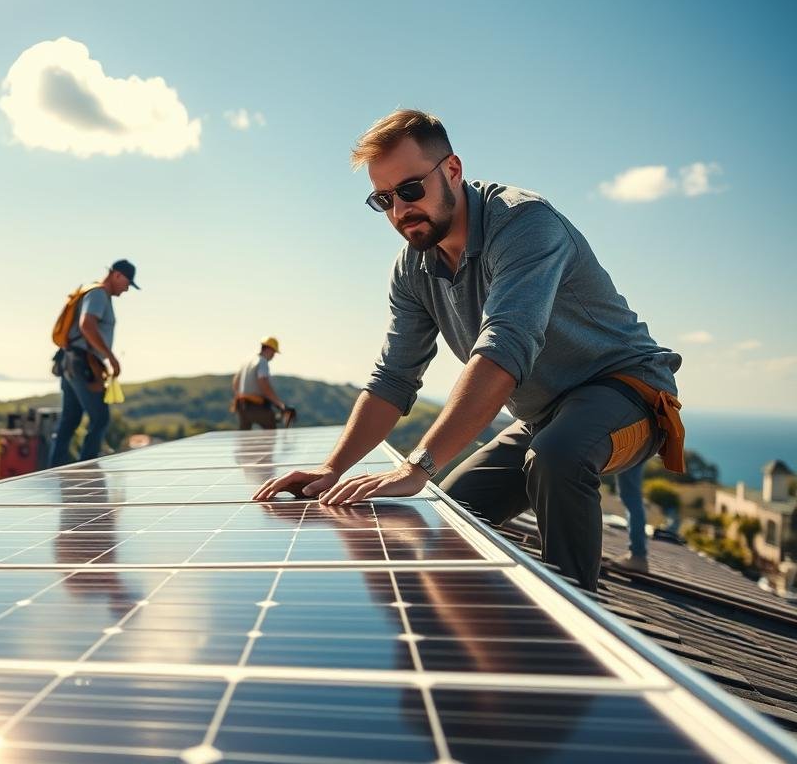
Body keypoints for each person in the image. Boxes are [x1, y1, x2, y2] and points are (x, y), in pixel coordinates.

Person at [255, 109, 684, 590]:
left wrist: (419, 464)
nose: (400, 212)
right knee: (451, 517)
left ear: (453, 171)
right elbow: (393, 380)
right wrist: (333, 470)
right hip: (544, 417)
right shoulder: (412, 270)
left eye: (411, 190)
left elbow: (505, 348)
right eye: (384, 200)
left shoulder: (524, 223)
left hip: (628, 393)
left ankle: (578, 631)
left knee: (556, 457)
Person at [49, 259, 139, 466]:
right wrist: (110, 356)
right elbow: (87, 325)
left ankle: (54, 469)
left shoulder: (92, 292)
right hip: (82, 364)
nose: (126, 289)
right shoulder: (99, 294)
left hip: (70, 362)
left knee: (70, 420)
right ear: (117, 275)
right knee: (100, 418)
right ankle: (87, 469)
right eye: (127, 283)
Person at [232, 337, 289, 430]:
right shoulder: (262, 362)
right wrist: (280, 404)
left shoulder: (247, 362)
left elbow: (235, 383)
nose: (273, 355)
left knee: (244, 438)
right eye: (274, 352)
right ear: (269, 349)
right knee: (271, 430)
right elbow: (264, 385)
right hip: (256, 406)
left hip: (241, 406)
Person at [612, 460, 650, 572]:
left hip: (633, 444)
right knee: (631, 495)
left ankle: (638, 555)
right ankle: (638, 554)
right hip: (642, 445)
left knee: (631, 495)